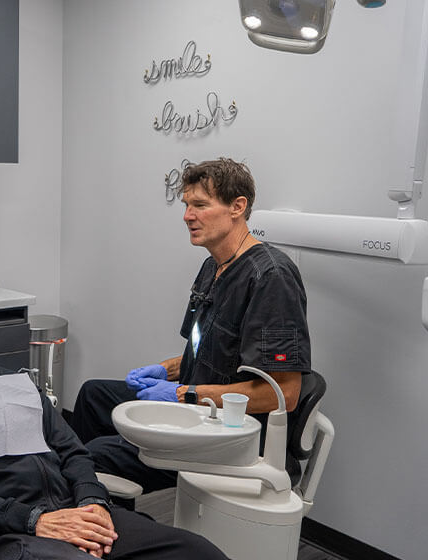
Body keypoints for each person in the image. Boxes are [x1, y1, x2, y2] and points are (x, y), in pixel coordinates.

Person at [0, 292, 227, 560]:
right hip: (0, 537)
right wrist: (36, 520)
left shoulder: (16, 386)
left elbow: (73, 451)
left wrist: (92, 502)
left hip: (74, 509)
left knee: (197, 552)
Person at [71, 157, 311, 494]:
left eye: (200, 205)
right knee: (94, 395)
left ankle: (108, 523)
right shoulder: (213, 267)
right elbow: (202, 350)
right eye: (186, 205)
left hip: (232, 435)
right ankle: (88, 500)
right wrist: (164, 370)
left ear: (237, 207)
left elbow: (283, 393)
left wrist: (187, 393)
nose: (187, 216)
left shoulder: (270, 278)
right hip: (196, 404)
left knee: (96, 456)